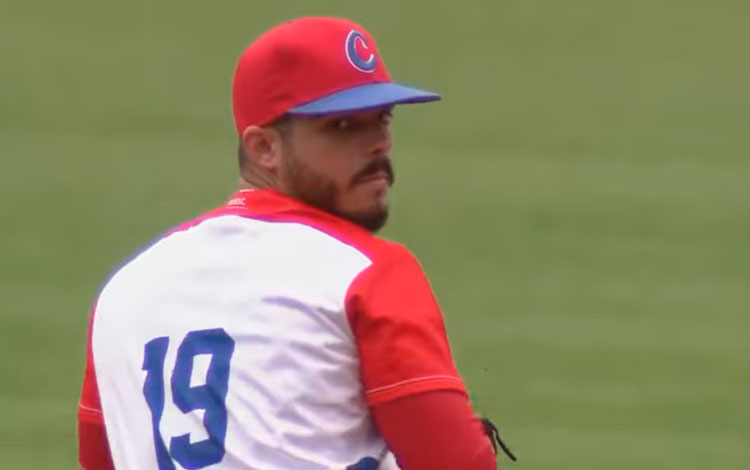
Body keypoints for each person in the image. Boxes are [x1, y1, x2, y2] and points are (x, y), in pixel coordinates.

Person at [77, 16, 514, 470]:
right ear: (265, 147)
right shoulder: (365, 273)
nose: (378, 145)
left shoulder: (124, 292)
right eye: (343, 126)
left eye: (382, 119)